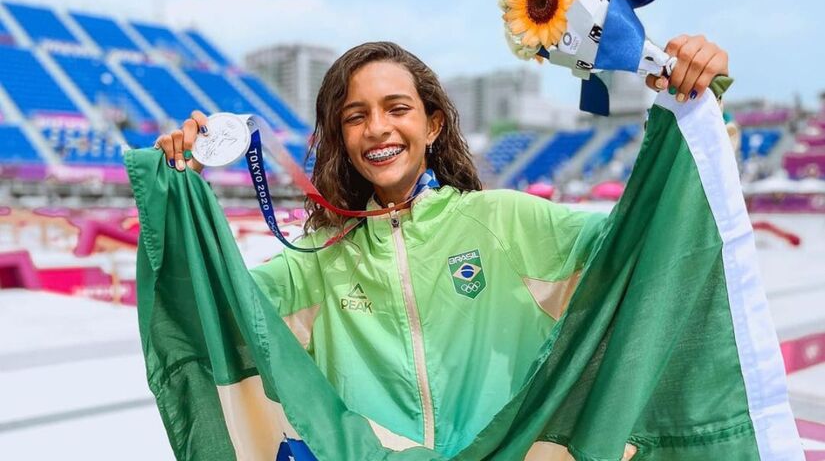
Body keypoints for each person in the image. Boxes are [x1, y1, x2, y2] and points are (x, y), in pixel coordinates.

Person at [153, 36, 729, 458]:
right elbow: (212, 309)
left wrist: (688, 108)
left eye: (396, 109)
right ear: (341, 141)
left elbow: (642, 251)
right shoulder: (318, 259)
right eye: (355, 117)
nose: (377, 127)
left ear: (432, 126)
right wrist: (182, 191)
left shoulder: (506, 220)